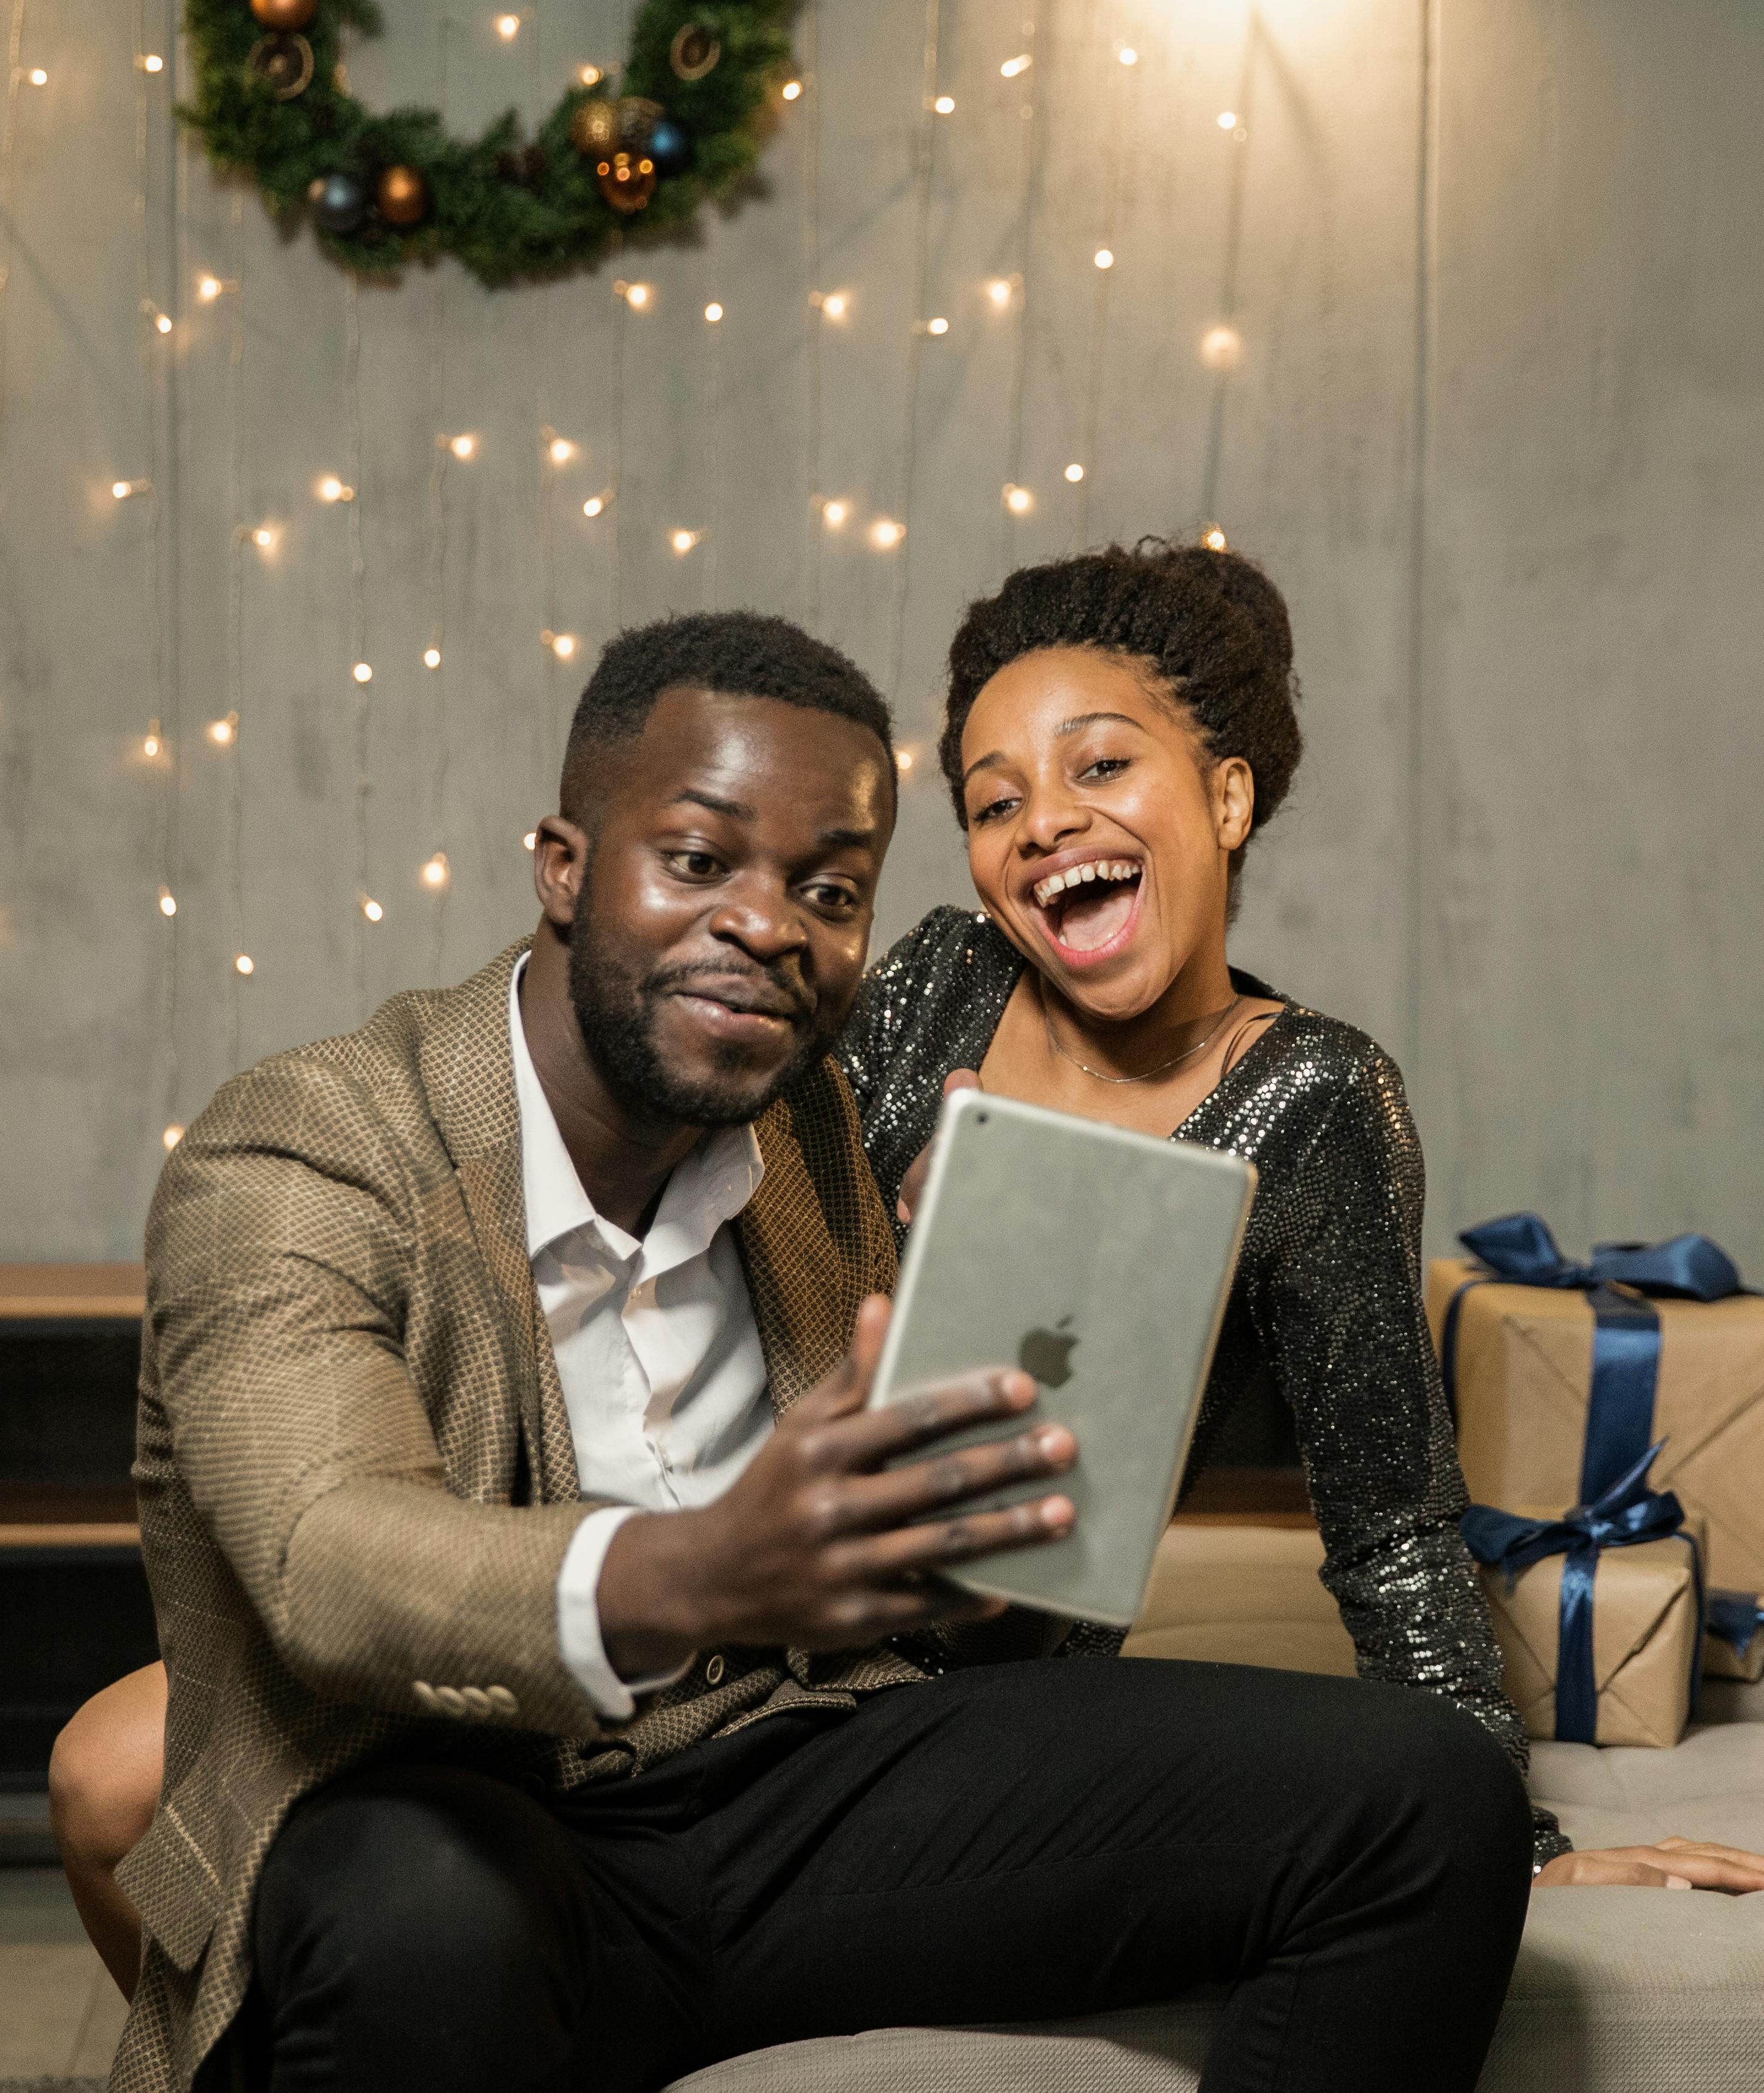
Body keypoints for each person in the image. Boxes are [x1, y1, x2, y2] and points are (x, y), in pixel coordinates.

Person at [94, 611, 1553, 2093]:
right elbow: (323, 1561)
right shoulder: (307, 1144)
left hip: (799, 1786)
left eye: (832, 887)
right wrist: (705, 1567)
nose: (769, 924)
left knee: (1418, 1800)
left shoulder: (808, 1136)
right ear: (562, 867)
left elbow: (952, 1631)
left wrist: (974, 1460)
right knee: (418, 1920)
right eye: (699, 860)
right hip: (464, 1802)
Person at [845, 539, 1764, 1888]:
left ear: (1225, 798)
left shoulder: (1314, 1099)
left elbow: (1393, 1527)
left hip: (980, 1716)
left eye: (1099, 766)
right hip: (747, 1632)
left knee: (1375, 1796)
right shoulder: (934, 981)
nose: (1042, 821)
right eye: (995, 804)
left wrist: (1502, 1848)